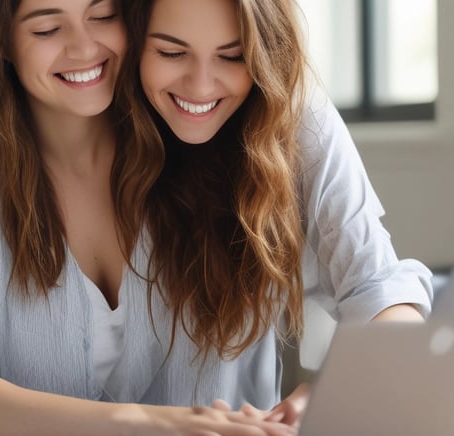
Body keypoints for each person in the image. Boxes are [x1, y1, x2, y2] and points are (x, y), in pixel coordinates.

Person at [0, 0, 298, 435]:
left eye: (103, 16)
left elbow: (367, 294)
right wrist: (139, 423)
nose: (84, 47)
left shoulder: (212, 118)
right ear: (2, 42)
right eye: (48, 29)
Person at [112, 0, 435, 426]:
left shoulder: (294, 114)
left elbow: (376, 284)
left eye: (232, 56)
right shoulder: (89, 122)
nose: (201, 85)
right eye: (172, 53)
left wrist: (336, 390)